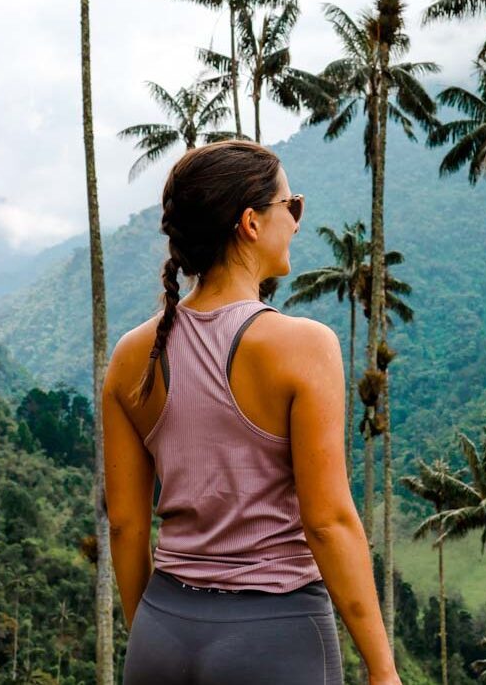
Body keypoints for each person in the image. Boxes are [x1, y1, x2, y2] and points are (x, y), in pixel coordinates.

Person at [102, 140, 400, 684]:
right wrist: (383, 670)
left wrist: (149, 632)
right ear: (251, 223)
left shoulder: (130, 357)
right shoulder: (303, 346)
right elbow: (327, 522)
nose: (297, 222)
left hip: (161, 631)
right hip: (276, 633)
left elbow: (125, 525)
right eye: (292, 206)